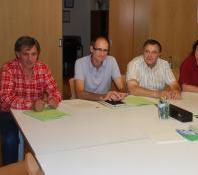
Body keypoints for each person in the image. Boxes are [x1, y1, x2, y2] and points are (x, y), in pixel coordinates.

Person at [0, 36, 61, 165]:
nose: (30, 59)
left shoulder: (43, 68)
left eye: (33, 54)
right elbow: (5, 98)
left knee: (54, 132)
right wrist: (31, 104)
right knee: (10, 139)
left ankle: (47, 166)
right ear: (18, 54)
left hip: (35, 113)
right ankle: (11, 170)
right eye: (25, 54)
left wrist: (54, 99)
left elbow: (55, 90)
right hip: (9, 114)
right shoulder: (8, 69)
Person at [74, 36, 126, 101]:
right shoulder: (80, 63)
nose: (102, 54)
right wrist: (103, 96)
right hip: (86, 102)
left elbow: (121, 87)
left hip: (105, 103)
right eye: (99, 49)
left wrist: (121, 94)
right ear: (91, 49)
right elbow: (80, 93)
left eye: (105, 50)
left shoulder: (111, 61)